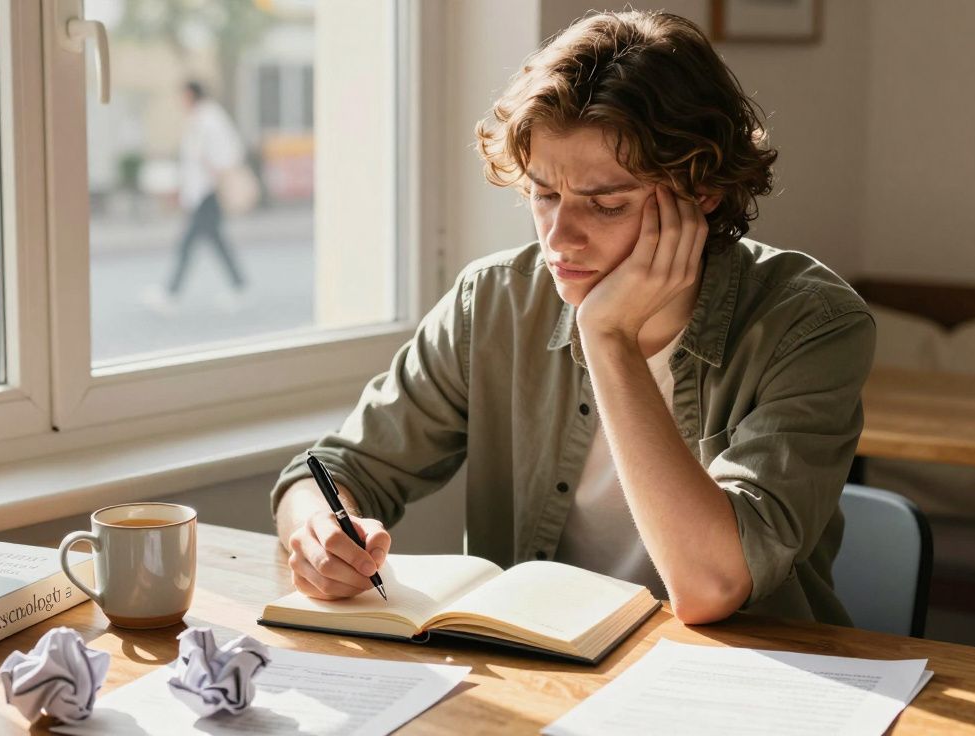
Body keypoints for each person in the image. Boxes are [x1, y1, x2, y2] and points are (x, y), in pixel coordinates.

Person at [269, 11, 875, 626]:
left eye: (606, 204)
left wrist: (609, 338)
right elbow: (328, 472)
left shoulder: (811, 323)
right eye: (544, 195)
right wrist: (318, 533)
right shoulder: (494, 301)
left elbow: (711, 585)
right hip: (546, 681)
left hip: (744, 685)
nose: (560, 238)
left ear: (704, 192)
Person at [153, 80, 249, 309]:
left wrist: (214, 172)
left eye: (181, 97)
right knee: (215, 241)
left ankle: (170, 293)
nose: (179, 103)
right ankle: (239, 286)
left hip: (208, 192)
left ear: (190, 95)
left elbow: (227, 152)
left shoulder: (210, 118)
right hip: (200, 193)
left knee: (188, 243)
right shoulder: (200, 118)